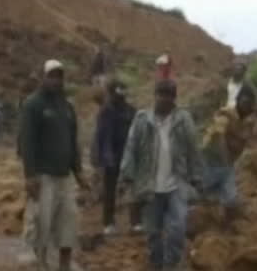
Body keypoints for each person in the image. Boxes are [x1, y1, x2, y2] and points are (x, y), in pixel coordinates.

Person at [120, 79, 203, 271]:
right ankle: (156, 264)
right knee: (152, 232)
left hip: (177, 184)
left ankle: (171, 265)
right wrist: (126, 175)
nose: (163, 99)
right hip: (150, 186)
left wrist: (197, 177)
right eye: (160, 94)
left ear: (174, 99)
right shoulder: (142, 120)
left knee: (177, 229)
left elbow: (193, 150)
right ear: (154, 96)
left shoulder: (183, 120)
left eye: (168, 95)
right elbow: (131, 148)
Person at [19, 59, 88, 271]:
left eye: (59, 76)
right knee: (42, 225)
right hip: (43, 177)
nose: (56, 80)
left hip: (64, 177)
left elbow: (72, 140)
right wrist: (30, 176)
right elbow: (26, 142)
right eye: (51, 75)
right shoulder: (33, 104)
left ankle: (64, 266)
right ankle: (40, 264)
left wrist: (78, 172)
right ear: (42, 77)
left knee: (68, 224)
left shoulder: (67, 107)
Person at [199, 85, 257, 228]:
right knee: (198, 191)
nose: (246, 105)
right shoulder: (226, 115)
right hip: (211, 159)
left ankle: (228, 227)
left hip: (227, 163)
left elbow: (247, 139)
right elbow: (219, 137)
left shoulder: (247, 120)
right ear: (238, 100)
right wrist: (226, 161)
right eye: (244, 102)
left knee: (230, 199)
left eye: (249, 103)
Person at [93, 80, 142, 236]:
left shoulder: (131, 111)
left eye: (122, 94)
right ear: (111, 93)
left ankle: (136, 222)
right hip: (111, 156)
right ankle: (108, 222)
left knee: (133, 189)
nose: (120, 97)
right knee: (110, 190)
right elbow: (102, 137)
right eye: (117, 94)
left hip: (128, 155)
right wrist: (103, 159)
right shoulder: (105, 112)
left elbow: (137, 134)